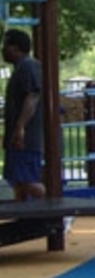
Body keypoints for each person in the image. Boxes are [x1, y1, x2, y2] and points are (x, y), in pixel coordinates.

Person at [2, 29, 45, 201]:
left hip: (27, 138)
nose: (3, 49)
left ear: (15, 47)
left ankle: (60, 211)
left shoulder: (28, 66)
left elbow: (32, 96)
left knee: (26, 180)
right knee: (17, 180)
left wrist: (20, 128)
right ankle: (25, 218)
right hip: (18, 137)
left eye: (6, 45)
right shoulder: (19, 68)